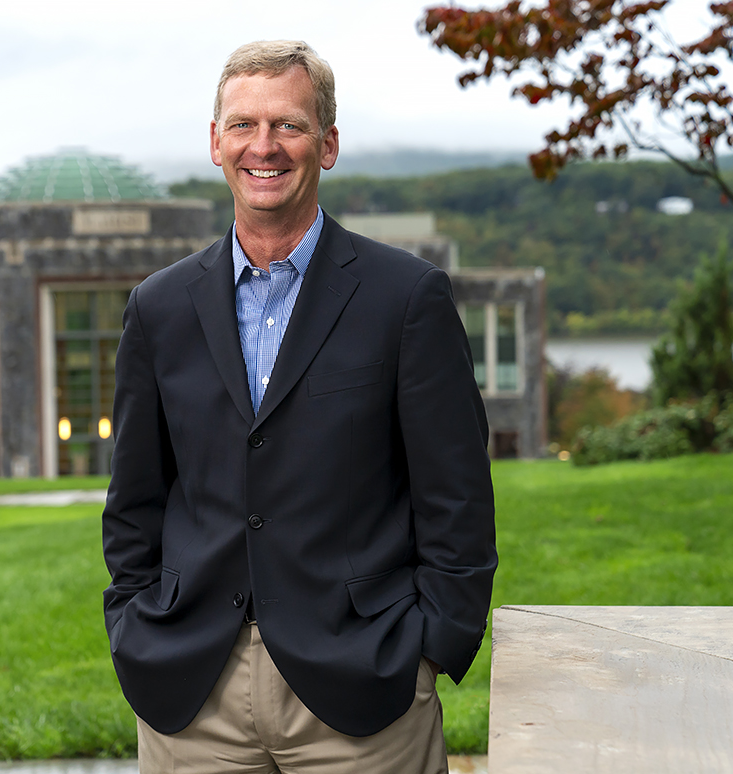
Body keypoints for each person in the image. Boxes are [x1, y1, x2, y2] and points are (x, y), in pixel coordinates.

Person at [101, 40, 496, 774]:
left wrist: (432, 646)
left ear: (329, 143)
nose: (264, 147)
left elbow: (458, 496)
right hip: (192, 693)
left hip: (364, 691)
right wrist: (133, 624)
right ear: (216, 143)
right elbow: (136, 499)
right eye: (243, 126)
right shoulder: (159, 308)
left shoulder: (406, 298)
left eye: (287, 125)